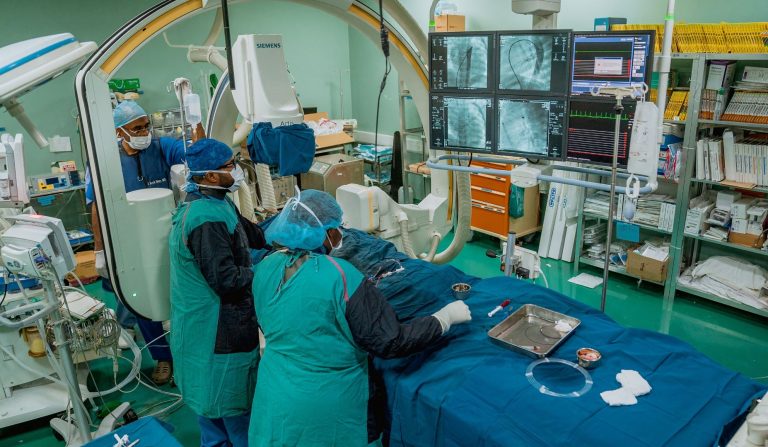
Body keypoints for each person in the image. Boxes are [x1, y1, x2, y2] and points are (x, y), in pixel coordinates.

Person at [248, 190, 472, 446]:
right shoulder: (341, 276)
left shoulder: (264, 267)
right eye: (337, 227)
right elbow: (390, 341)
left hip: (274, 394)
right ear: (327, 233)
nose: (341, 233)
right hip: (327, 405)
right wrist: (442, 319)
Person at [86, 99, 204, 385]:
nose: (144, 133)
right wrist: (100, 249)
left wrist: (195, 118)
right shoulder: (106, 162)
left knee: (180, 293)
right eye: (137, 128)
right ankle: (163, 357)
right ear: (119, 132)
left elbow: (198, 154)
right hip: (129, 241)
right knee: (142, 299)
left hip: (165, 234)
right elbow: (97, 206)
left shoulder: (162, 147)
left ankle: (190, 355)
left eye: (146, 125)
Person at [169, 138, 265, 447]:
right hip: (216, 328)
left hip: (206, 326)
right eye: (230, 165)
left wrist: (286, 227)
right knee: (232, 410)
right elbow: (226, 280)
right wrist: (264, 271)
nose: (237, 170)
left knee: (212, 406)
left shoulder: (216, 202)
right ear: (210, 175)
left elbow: (252, 235)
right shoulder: (204, 219)